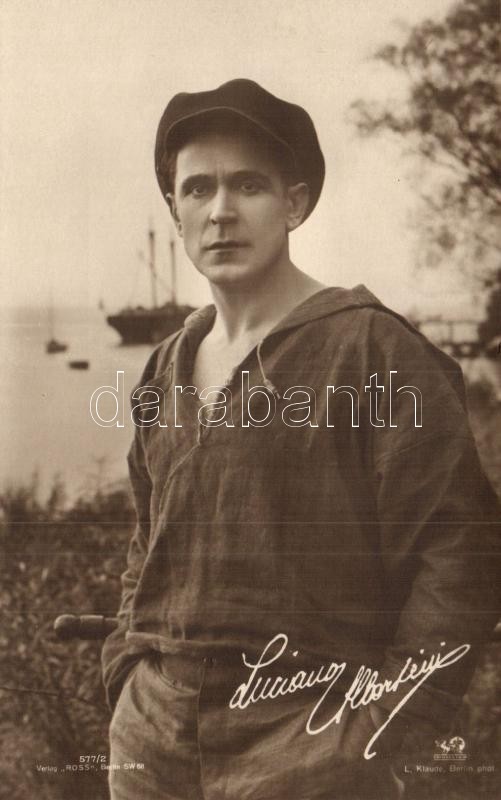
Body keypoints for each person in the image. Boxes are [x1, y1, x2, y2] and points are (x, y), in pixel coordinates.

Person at [101, 78, 501, 800]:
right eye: (197, 189)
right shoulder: (164, 366)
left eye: (248, 185)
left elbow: (461, 554)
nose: (220, 211)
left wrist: (382, 730)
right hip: (152, 746)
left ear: (294, 203)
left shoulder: (371, 349)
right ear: (175, 210)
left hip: (312, 745)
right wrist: (126, 673)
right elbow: (145, 544)